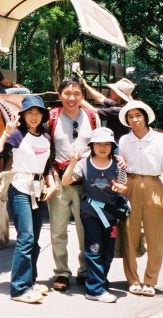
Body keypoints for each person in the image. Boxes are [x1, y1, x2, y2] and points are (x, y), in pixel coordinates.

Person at [0, 95, 57, 304]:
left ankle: (30, 281)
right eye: (30, 112)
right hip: (20, 189)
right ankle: (19, 288)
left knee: (34, 240)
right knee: (26, 238)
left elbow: (47, 166)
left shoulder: (46, 138)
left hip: (39, 190)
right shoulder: (18, 136)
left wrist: (52, 183)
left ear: (43, 115)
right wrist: (5, 133)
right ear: (23, 115)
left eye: (38, 112)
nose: (34, 116)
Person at [61, 127, 127, 303]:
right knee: (94, 250)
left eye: (107, 144)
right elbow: (66, 181)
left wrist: (120, 189)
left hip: (111, 215)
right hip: (90, 214)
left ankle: (99, 281)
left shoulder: (118, 164)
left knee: (107, 252)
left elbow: (123, 185)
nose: (103, 147)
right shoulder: (84, 163)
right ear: (92, 145)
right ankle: (95, 290)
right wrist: (73, 162)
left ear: (113, 146)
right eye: (98, 144)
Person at [46, 76, 101, 292]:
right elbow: (44, 147)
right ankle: (61, 272)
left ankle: (85, 270)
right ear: (60, 95)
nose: (72, 98)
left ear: (82, 96)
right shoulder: (51, 117)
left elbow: (101, 144)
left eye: (77, 93)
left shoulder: (92, 116)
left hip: (86, 180)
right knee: (58, 229)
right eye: (67, 93)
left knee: (84, 228)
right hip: (60, 179)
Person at [117, 100, 163, 298]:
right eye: (130, 117)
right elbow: (120, 169)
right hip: (130, 186)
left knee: (155, 237)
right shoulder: (124, 141)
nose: (135, 120)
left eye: (138, 115)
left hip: (154, 186)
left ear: (146, 117)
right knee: (129, 235)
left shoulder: (161, 140)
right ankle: (133, 280)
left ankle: (150, 280)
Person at [81, 77, 136, 142]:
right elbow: (101, 98)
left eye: (113, 90)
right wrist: (86, 85)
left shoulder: (119, 110)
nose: (111, 91)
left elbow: (93, 111)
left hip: (118, 142)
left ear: (118, 94)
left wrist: (78, 99)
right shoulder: (118, 104)